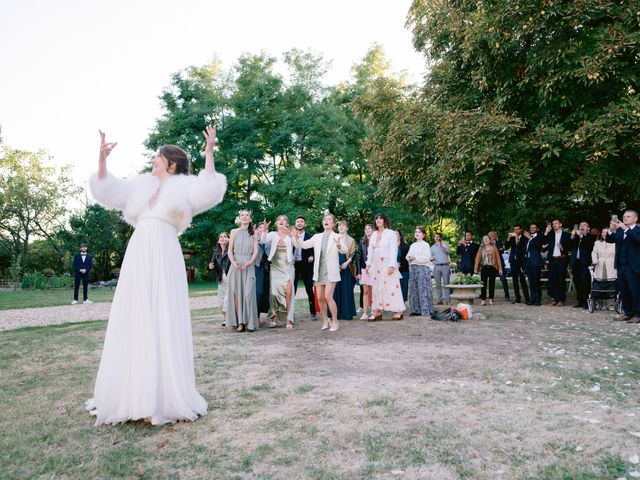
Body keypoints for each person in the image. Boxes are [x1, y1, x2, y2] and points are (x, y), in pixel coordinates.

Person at [86, 126, 226, 425]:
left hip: (164, 250)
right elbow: (106, 189)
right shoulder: (140, 186)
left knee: (162, 313)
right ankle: (130, 393)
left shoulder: (184, 187)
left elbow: (210, 189)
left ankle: (165, 395)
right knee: (136, 313)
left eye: (157, 158)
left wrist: (209, 152)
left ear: (171, 164)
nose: (153, 162)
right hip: (139, 251)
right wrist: (101, 160)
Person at [292, 213, 346, 332]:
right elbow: (304, 245)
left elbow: (344, 250)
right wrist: (296, 237)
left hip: (331, 271)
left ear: (333, 223)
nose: (326, 221)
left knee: (328, 296)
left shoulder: (337, 236)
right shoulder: (317, 236)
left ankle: (335, 321)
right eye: (325, 219)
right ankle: (325, 321)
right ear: (323, 223)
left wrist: (338, 244)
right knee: (320, 298)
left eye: (329, 219)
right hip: (318, 270)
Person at [366, 213, 405, 321]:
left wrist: (392, 265)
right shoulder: (373, 234)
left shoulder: (390, 233)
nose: (378, 220)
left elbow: (393, 249)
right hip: (376, 263)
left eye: (380, 218)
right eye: (376, 218)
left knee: (391, 286)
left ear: (384, 220)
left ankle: (398, 310)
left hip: (387, 262)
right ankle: (377, 311)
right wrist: (368, 264)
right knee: (376, 287)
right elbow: (370, 250)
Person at [260, 215, 296, 329]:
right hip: (275, 268)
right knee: (274, 294)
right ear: (276, 223)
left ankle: (289, 320)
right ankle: (274, 317)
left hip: (288, 267)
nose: (281, 221)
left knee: (289, 294)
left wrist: (292, 235)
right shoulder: (272, 234)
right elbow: (263, 240)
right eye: (279, 219)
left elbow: (298, 245)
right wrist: (265, 230)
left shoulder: (291, 234)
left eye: (284, 219)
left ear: (287, 223)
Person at [226, 211, 259, 332]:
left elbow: (256, 250)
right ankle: (240, 323)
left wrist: (251, 261)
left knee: (248, 293)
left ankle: (250, 323)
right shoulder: (234, 232)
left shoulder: (254, 233)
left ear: (250, 219)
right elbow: (230, 250)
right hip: (236, 265)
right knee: (236, 295)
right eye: (242, 215)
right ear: (239, 219)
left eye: (247, 215)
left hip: (248, 265)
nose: (244, 217)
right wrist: (233, 262)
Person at [606, 210, 640, 322]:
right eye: (624, 217)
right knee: (624, 291)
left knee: (635, 291)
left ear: (635, 219)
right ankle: (628, 312)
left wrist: (626, 229)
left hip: (634, 266)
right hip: (621, 265)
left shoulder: (638, 230)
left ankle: (638, 315)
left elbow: (637, 240)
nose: (625, 218)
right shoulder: (620, 231)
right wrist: (611, 229)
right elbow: (609, 239)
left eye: (628, 217)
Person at [332, 220, 357, 320]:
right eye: (339, 226)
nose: (341, 227)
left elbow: (353, 254)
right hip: (335, 265)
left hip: (346, 265)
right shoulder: (333, 237)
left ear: (347, 228)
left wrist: (346, 263)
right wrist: (335, 265)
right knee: (335, 290)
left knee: (346, 290)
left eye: (343, 226)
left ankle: (347, 313)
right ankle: (336, 314)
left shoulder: (351, 240)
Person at [407, 226, 435, 316]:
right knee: (413, 290)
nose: (417, 233)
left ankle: (425, 310)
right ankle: (416, 310)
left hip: (422, 269)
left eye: (419, 232)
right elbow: (407, 256)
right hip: (413, 269)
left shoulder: (425, 245)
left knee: (423, 289)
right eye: (416, 232)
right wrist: (410, 258)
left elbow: (426, 258)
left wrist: (414, 258)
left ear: (423, 235)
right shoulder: (412, 245)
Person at [292, 216, 317, 320]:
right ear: (295, 224)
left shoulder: (310, 236)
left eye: (301, 221)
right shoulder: (291, 236)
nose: (299, 223)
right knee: (292, 289)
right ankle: (290, 313)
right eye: (297, 221)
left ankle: (313, 312)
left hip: (306, 265)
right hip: (293, 265)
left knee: (309, 289)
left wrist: (312, 256)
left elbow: (314, 249)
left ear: (305, 224)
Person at [543, 218, 572, 306]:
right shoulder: (551, 234)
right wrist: (546, 232)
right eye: (553, 224)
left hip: (561, 259)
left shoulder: (566, 235)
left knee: (561, 279)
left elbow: (570, 247)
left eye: (556, 223)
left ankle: (561, 300)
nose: (554, 225)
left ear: (560, 224)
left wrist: (562, 248)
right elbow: (544, 242)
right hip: (552, 259)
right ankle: (555, 299)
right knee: (553, 279)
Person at [569, 221, 596, 309]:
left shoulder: (591, 237)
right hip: (576, 263)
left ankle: (586, 301)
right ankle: (580, 300)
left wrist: (581, 236)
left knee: (585, 283)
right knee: (577, 282)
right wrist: (572, 236)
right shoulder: (576, 238)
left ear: (588, 228)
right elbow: (569, 246)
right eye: (580, 225)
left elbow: (589, 244)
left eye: (584, 225)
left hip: (585, 263)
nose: (582, 227)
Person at [208, 232, 230, 326]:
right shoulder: (216, 251)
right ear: (218, 240)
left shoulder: (231, 249)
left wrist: (231, 242)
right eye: (220, 236)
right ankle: (225, 319)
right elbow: (212, 263)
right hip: (221, 279)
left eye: (225, 236)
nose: (222, 238)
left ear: (228, 239)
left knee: (227, 300)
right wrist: (210, 266)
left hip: (230, 277)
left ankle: (230, 319)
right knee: (220, 301)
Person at [474, 235, 503, 306]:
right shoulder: (481, 248)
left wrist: (500, 268)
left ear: (490, 240)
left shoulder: (494, 248)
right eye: (484, 239)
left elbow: (498, 259)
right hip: (484, 268)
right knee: (483, 284)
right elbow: (477, 259)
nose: (485, 240)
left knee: (492, 284)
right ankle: (483, 300)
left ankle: (491, 299)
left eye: (487, 239)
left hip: (492, 268)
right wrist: (475, 269)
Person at [505, 225, 530, 304]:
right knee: (514, 280)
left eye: (517, 229)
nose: (516, 231)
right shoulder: (512, 238)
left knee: (522, 280)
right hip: (513, 261)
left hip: (521, 261)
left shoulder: (524, 238)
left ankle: (527, 298)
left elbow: (524, 248)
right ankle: (517, 298)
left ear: (521, 230)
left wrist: (518, 240)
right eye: (515, 229)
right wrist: (508, 238)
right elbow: (506, 247)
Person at [253, 223, 271, 326]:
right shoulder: (253, 239)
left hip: (268, 268)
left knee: (267, 292)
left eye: (264, 228)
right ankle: (256, 317)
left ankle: (270, 316)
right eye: (260, 227)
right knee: (258, 292)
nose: (262, 229)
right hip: (257, 268)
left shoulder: (270, 239)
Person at [523, 223, 544, 306]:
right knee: (531, 282)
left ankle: (538, 300)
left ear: (537, 229)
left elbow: (538, 247)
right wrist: (523, 263)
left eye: (534, 227)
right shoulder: (527, 239)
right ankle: (532, 299)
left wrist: (530, 238)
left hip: (535, 262)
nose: (532, 229)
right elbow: (525, 251)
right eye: (531, 227)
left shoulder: (539, 237)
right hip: (528, 262)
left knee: (536, 282)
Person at [356, 224, 374, 320]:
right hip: (364, 269)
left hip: (375, 269)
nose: (367, 230)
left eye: (369, 228)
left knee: (375, 290)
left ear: (373, 230)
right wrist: (358, 272)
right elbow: (358, 257)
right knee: (365, 290)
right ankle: (365, 312)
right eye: (365, 228)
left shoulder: (377, 241)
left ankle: (375, 310)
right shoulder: (362, 242)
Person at [488, 231, 510, 301]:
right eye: (490, 235)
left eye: (493, 234)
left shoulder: (499, 242)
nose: (492, 236)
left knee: (503, 280)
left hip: (500, 264)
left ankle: (507, 296)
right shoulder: (487, 243)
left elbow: (502, 251)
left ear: (495, 235)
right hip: (491, 265)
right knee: (491, 281)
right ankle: (491, 296)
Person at [430, 233, 451, 305]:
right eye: (435, 236)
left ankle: (448, 300)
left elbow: (449, 251)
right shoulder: (432, 247)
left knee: (446, 284)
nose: (436, 237)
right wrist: (432, 259)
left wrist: (442, 247)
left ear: (440, 237)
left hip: (445, 265)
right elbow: (430, 258)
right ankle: (440, 300)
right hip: (437, 266)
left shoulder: (445, 244)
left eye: (438, 236)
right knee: (437, 284)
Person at [397, 231, 410, 302]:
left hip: (403, 270)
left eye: (397, 234)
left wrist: (399, 264)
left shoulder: (405, 246)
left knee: (403, 287)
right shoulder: (390, 246)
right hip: (393, 271)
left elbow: (407, 258)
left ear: (400, 236)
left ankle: (402, 303)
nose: (395, 235)